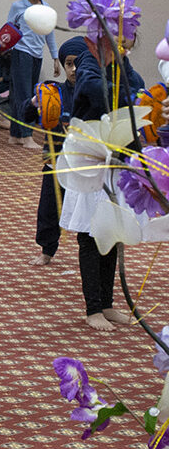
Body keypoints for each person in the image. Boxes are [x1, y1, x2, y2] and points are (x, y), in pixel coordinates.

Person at [59, 34, 144, 331]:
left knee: (112, 232)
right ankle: (92, 308)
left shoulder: (123, 63)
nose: (125, 44)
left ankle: (106, 304)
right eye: (121, 37)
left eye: (130, 39)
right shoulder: (88, 58)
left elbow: (138, 89)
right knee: (91, 235)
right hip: (91, 163)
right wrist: (129, 99)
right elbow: (97, 92)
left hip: (117, 163)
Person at [22, 36, 85, 265]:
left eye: (80, 62)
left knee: (87, 209)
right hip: (55, 163)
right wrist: (33, 103)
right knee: (49, 209)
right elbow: (26, 117)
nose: (74, 69)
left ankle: (95, 250)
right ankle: (47, 249)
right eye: (69, 64)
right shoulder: (53, 91)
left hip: (87, 166)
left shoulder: (97, 93)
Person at [7, 0, 60, 149]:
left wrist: (55, 57)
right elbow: (9, 29)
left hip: (37, 55)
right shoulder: (18, 6)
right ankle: (26, 135)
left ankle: (15, 135)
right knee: (24, 95)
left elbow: (49, 34)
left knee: (20, 93)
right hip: (22, 53)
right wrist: (6, 48)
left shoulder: (46, 9)